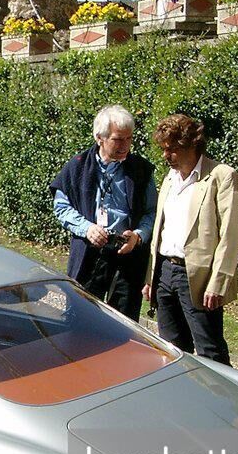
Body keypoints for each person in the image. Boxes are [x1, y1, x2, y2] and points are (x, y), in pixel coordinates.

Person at [142, 114, 238, 365]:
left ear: (192, 145)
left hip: (197, 276)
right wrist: (150, 278)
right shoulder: (169, 178)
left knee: (210, 352)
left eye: (173, 150)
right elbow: (160, 229)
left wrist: (217, 283)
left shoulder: (222, 176)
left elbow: (231, 235)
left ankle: (223, 402)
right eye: (164, 149)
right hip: (165, 272)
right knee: (172, 350)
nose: (166, 156)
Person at [50, 104, 157, 321]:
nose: (125, 145)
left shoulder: (141, 170)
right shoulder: (77, 167)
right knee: (81, 317)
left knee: (123, 323)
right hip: (90, 252)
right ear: (100, 137)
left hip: (127, 253)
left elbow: (152, 212)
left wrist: (138, 235)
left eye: (129, 139)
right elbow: (61, 207)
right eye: (118, 139)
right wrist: (87, 228)